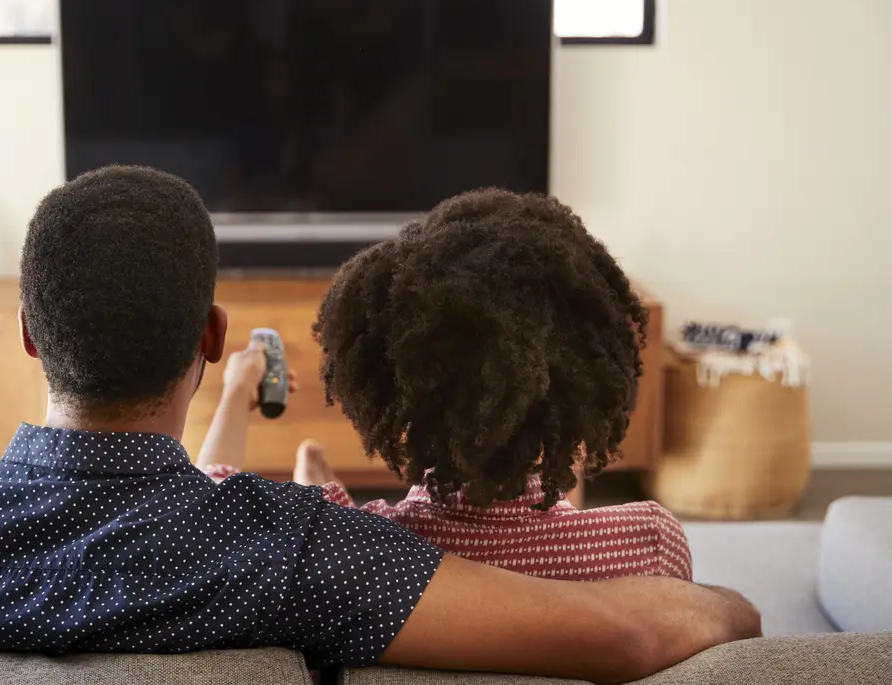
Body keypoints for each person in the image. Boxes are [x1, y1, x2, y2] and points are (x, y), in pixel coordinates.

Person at [0, 165, 759, 685]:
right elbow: (634, 633)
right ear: (211, 334)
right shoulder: (289, 549)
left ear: (26, 334)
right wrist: (731, 604)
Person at [281, 188, 691, 581]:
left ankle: (315, 485)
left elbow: (217, 489)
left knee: (316, 504)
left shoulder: (353, 552)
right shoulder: (651, 544)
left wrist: (235, 395)